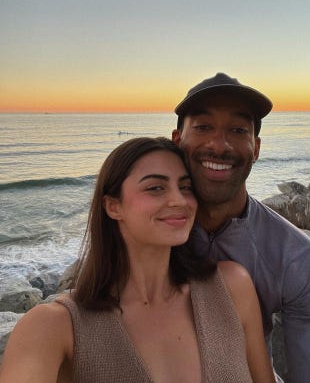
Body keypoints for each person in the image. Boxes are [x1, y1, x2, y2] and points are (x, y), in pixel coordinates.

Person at [0, 137, 276, 383]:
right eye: (156, 188)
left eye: (186, 187)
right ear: (113, 206)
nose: (179, 200)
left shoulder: (230, 288)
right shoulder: (55, 326)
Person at [172, 72, 310, 383]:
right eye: (203, 127)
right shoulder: (141, 238)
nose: (219, 144)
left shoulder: (297, 259)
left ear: (255, 148)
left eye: (238, 130)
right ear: (178, 141)